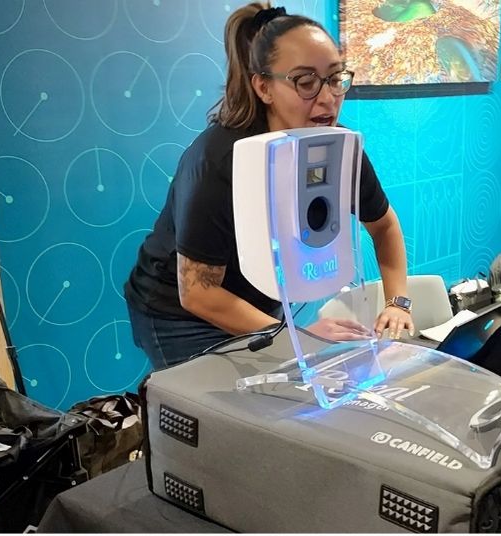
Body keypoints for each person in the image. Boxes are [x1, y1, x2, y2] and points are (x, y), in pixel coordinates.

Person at [124, 2, 413, 370]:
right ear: (264, 86)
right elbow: (198, 291)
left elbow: (384, 225)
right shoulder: (217, 161)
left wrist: (397, 303)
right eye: (305, 82)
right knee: (224, 412)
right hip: (177, 312)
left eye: (336, 78)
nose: (327, 98)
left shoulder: (338, 149)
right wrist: (299, 340)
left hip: (257, 295)